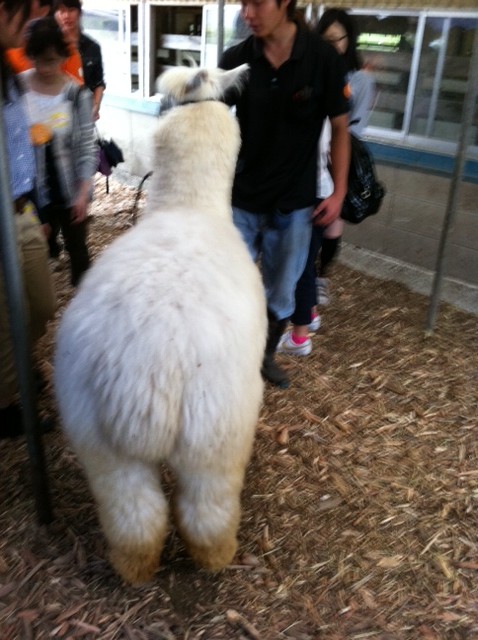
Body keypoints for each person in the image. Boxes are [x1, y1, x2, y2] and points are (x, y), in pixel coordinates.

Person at [219, 0, 350, 388]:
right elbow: (210, 116)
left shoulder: (322, 59)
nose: (247, 13)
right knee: (229, 284)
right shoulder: (236, 59)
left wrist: (338, 192)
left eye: (257, 3)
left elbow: (340, 128)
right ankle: (227, 358)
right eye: (243, 3)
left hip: (294, 203)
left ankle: (264, 355)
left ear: (285, 4)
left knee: (281, 289)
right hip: (241, 198)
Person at [278, 8, 376, 356]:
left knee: (302, 261)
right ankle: (309, 316)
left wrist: (336, 188)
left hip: (317, 187)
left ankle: (300, 333)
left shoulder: (333, 89)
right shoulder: (316, 82)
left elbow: (339, 136)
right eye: (325, 39)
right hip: (318, 186)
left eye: (337, 39)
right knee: (304, 257)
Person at [0, 0, 56, 438]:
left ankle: (22, 361)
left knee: (41, 304)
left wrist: (37, 206)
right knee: (5, 317)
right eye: (26, 15)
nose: (30, 26)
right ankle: (6, 405)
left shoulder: (8, 72)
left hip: (21, 207)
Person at [21, 16, 97, 287]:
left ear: (64, 56)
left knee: (78, 250)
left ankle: (84, 297)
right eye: (38, 60)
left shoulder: (77, 94)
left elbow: (87, 145)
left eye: (52, 60)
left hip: (70, 187)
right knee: (37, 253)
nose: (44, 68)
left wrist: (83, 192)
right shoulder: (18, 88)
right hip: (32, 191)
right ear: (30, 56)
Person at [53, 0, 105, 121]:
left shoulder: (92, 46)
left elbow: (98, 83)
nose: (66, 16)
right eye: (62, 11)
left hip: (83, 112)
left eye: (71, 10)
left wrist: (96, 106)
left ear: (79, 13)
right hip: (55, 114)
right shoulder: (50, 45)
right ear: (55, 14)